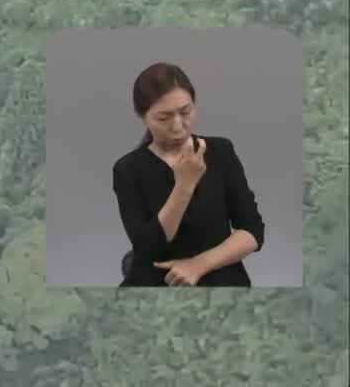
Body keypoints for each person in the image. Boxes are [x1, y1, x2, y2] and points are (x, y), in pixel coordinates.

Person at [112, 63, 264, 286]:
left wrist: (197, 265)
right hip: (158, 282)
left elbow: (253, 231)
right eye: (164, 118)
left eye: (186, 112)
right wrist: (184, 185)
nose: (178, 126)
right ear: (142, 116)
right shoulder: (127, 169)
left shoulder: (221, 151)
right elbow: (147, 249)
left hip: (220, 275)